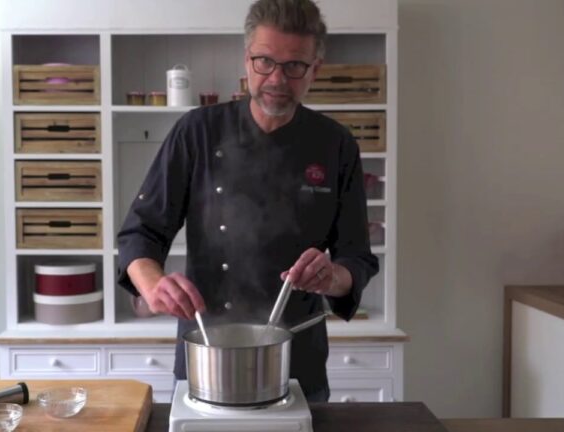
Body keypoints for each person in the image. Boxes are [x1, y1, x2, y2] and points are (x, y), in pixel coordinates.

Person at [117, 0, 379, 403]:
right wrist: (153, 285)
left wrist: (333, 276)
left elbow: (357, 257)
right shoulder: (197, 132)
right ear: (247, 59)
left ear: (315, 70)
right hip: (206, 352)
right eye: (265, 61)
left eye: (294, 66)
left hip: (296, 360)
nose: (277, 78)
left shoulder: (336, 145)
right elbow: (141, 232)